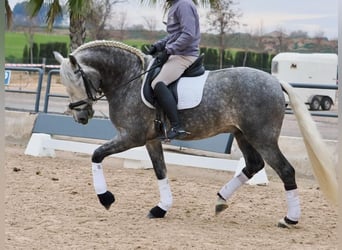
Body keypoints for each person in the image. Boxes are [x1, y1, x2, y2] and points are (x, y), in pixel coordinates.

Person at [147, 0, 201, 140]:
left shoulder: (184, 5)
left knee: (158, 83)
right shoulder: (175, 6)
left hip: (184, 55)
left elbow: (188, 34)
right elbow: (174, 35)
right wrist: (158, 46)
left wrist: (169, 50)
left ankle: (177, 127)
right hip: (176, 53)